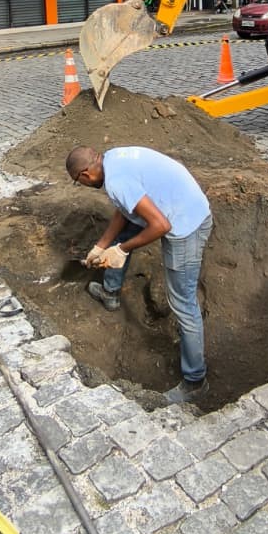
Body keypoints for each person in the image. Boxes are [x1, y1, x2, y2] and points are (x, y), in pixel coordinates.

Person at [66, 144, 213, 405]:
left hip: (185, 224)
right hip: (180, 204)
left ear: (86, 175)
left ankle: (195, 382)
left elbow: (161, 225)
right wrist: (101, 246)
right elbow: (125, 210)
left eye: (79, 183)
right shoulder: (113, 160)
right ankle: (110, 293)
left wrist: (121, 250)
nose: (84, 186)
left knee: (183, 302)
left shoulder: (116, 182)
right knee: (127, 230)